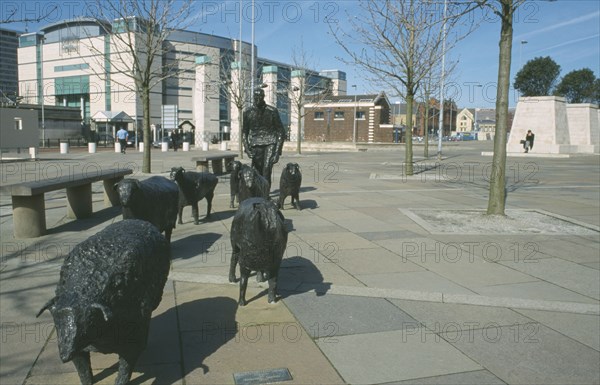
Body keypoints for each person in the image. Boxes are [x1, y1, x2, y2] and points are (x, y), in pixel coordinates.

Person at [242, 88, 286, 188]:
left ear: (263, 97)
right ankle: (258, 193)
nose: (257, 99)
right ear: (253, 97)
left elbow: (280, 131)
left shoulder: (272, 111)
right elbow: (244, 132)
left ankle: (265, 195)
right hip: (255, 143)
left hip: (270, 143)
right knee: (256, 170)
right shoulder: (247, 112)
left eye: (260, 97)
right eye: (255, 97)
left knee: (266, 169)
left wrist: (277, 152)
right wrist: (247, 149)